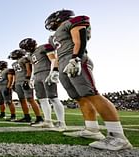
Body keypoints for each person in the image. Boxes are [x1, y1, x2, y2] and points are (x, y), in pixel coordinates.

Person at [45, 9, 132, 150]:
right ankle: (92, 130)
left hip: (74, 59)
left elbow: (79, 39)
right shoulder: (52, 37)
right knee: (80, 98)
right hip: (62, 63)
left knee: (91, 94)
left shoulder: (71, 22)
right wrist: (54, 71)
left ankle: (118, 136)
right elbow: (56, 54)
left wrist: (76, 58)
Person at [19, 38, 66, 130]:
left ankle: (62, 123)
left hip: (46, 72)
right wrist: (32, 78)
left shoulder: (43, 47)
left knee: (53, 98)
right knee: (42, 99)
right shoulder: (31, 55)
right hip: (37, 75)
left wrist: (54, 71)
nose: (26, 50)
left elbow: (53, 59)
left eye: (25, 48)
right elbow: (34, 67)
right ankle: (48, 121)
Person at [8, 50, 44, 123]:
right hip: (18, 81)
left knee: (30, 99)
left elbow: (29, 69)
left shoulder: (24, 59)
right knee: (22, 100)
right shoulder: (14, 63)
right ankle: (26, 116)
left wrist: (28, 79)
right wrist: (14, 83)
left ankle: (39, 117)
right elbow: (15, 74)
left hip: (24, 80)